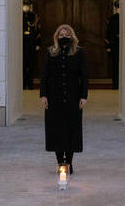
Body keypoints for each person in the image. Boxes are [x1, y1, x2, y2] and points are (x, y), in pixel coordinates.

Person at [40, 24, 88, 174]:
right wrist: (43, 95)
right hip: (54, 97)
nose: (64, 37)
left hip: (73, 96)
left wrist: (83, 96)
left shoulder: (78, 52)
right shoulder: (51, 51)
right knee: (56, 130)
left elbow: (84, 76)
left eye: (67, 34)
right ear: (56, 37)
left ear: (72, 36)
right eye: (61, 35)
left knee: (71, 130)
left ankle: (69, 161)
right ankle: (60, 161)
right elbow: (44, 75)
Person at [23, 0, 41, 89]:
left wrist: (38, 44)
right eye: (24, 5)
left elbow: (38, 31)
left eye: (27, 5)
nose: (26, 7)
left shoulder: (34, 16)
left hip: (31, 44)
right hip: (22, 44)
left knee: (31, 65)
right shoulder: (19, 16)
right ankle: (22, 84)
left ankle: (30, 84)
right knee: (22, 64)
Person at [105, 0, 120, 89]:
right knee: (115, 65)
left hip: (124, 46)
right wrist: (109, 47)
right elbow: (108, 34)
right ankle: (116, 84)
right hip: (115, 46)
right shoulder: (112, 19)